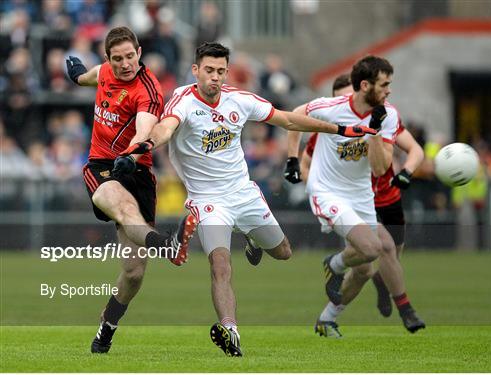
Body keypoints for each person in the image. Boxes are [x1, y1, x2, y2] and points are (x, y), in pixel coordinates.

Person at [120, 42, 378, 357]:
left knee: (283, 252)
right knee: (220, 264)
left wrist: (340, 128)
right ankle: (231, 331)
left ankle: (252, 238)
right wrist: (146, 145)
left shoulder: (240, 100)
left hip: (243, 194)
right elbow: (165, 128)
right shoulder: (184, 101)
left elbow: (289, 120)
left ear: (226, 72)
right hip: (207, 200)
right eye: (209, 70)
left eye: (220, 71)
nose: (215, 77)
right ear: (196, 70)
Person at [65, 26, 197, 354]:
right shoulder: (107, 70)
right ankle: (168, 245)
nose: (124, 64)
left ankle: (106, 327)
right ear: (109, 58)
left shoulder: (148, 90)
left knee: (134, 273)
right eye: (117, 58)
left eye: (129, 56)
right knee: (122, 207)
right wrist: (79, 76)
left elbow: (144, 128)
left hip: (135, 169)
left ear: (138, 52)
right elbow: (95, 75)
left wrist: (133, 153)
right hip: (101, 167)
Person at [285, 58, 426, 337]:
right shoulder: (331, 108)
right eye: (384, 85)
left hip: (362, 195)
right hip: (327, 191)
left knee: (363, 269)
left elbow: (377, 168)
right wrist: (292, 159)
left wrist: (374, 130)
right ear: (365, 85)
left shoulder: (388, 115)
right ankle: (338, 266)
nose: (389, 91)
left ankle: (326, 318)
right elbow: (292, 117)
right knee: (375, 248)